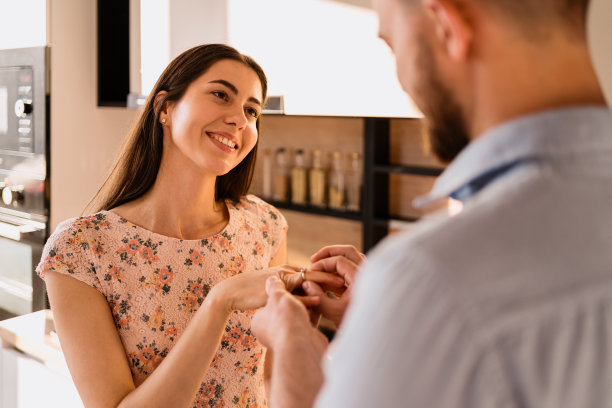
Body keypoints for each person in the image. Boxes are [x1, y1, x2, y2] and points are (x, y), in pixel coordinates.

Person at [252, 0, 612, 406]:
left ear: (447, 26)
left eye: (392, 46)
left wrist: (293, 350)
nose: (401, 79)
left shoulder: (433, 276)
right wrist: (394, 322)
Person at [37, 44, 343, 408]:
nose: (240, 120)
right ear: (165, 107)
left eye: (251, 110)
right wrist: (220, 302)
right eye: (220, 95)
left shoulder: (265, 227)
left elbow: (271, 378)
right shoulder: (81, 250)